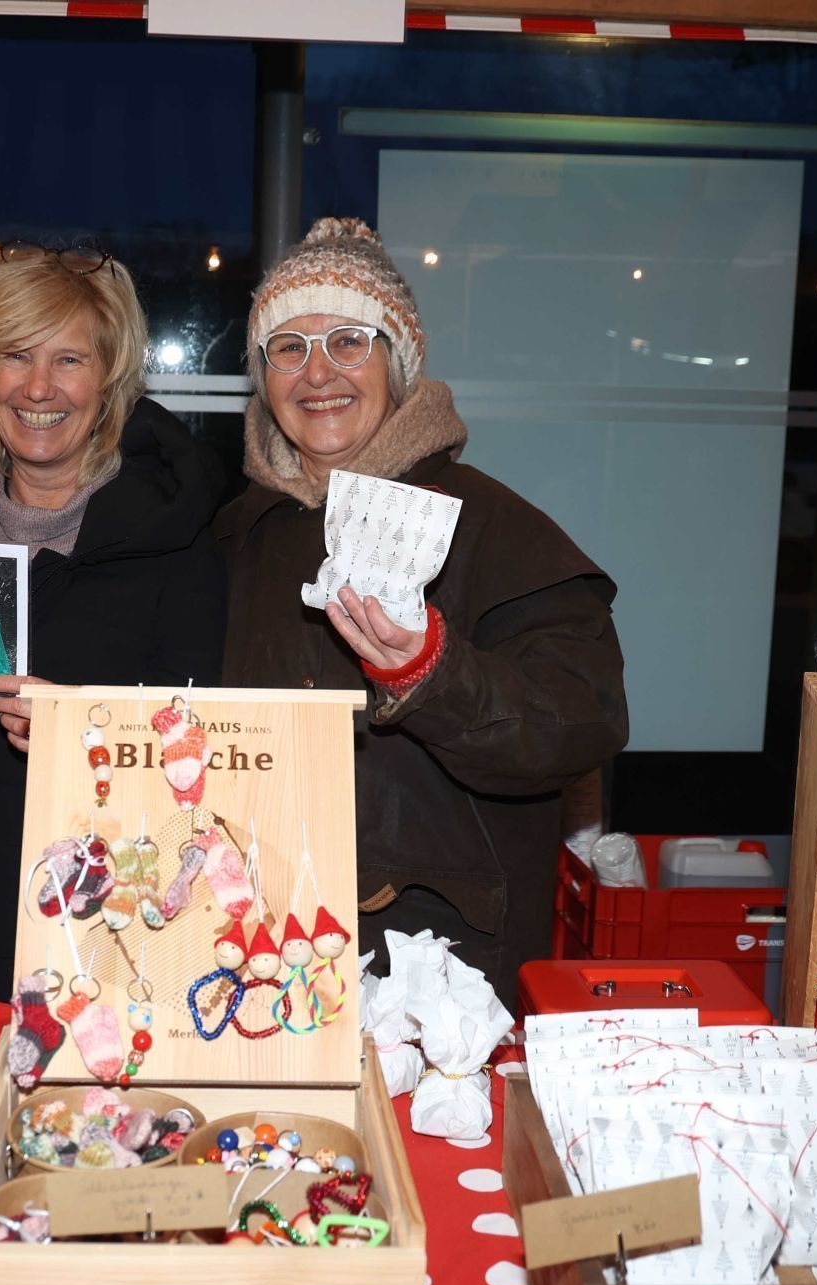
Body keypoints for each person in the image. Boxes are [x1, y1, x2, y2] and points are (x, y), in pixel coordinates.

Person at [218, 218, 628, 1007]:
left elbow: (585, 717)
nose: (317, 373)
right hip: (264, 949)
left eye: (349, 341)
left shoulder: (494, 526)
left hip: (440, 976)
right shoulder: (239, 535)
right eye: (288, 348)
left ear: (399, 365)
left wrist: (431, 674)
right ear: (262, 377)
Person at [0, 243, 226, 998]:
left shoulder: (174, 541)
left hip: (91, 943)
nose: (39, 388)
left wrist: (79, 730)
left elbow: (199, 751)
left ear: (110, 380)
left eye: (69, 360)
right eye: (14, 356)